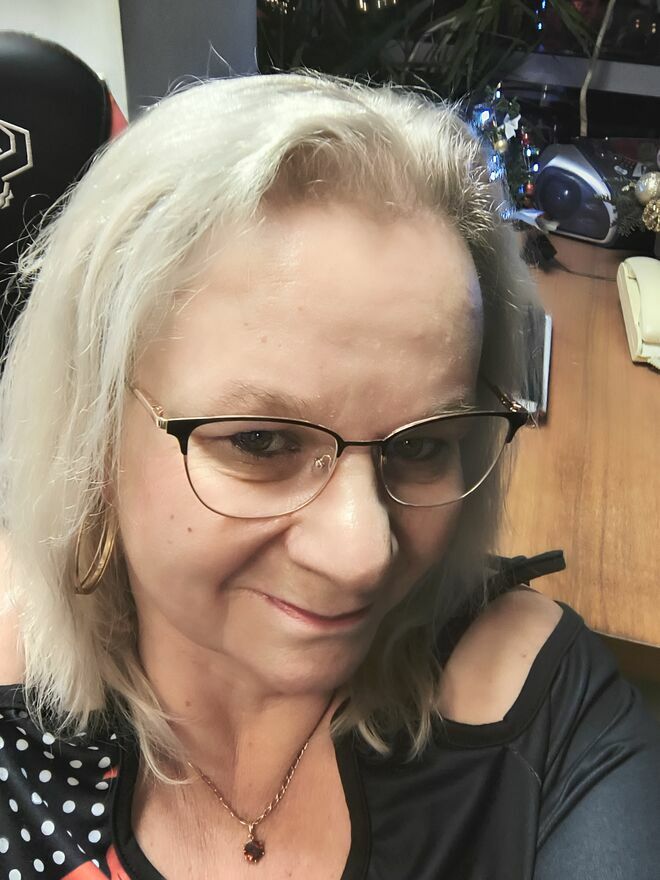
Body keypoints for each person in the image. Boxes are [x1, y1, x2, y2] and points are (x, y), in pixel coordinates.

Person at [0, 72, 658, 880]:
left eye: (423, 445)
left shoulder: (544, 717)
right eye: (262, 442)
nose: (363, 555)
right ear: (93, 429)